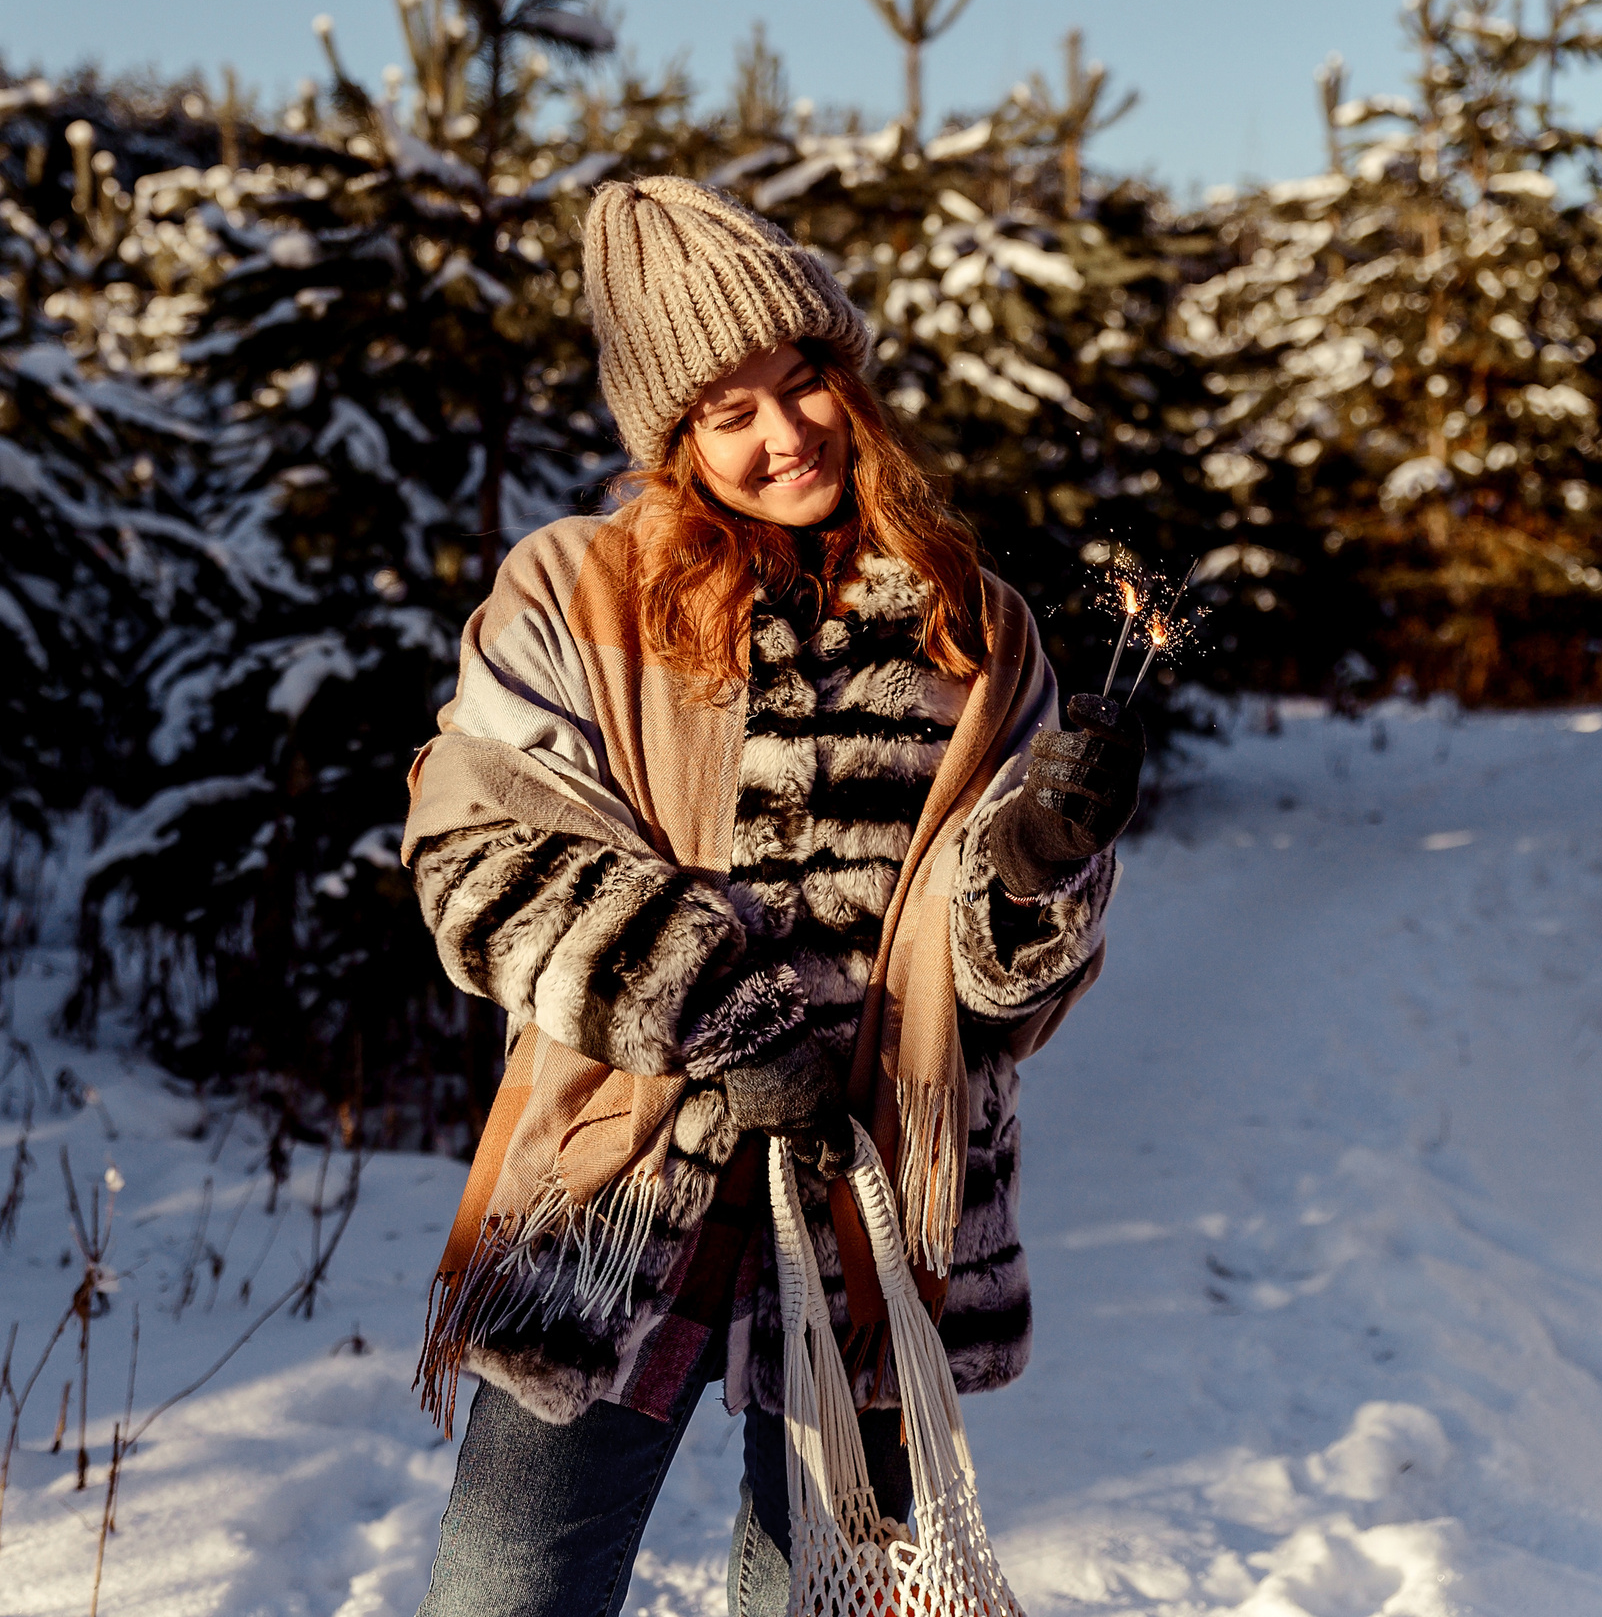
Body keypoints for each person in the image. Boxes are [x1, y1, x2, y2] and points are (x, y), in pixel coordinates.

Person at [402, 176, 1143, 1616]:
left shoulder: (975, 623)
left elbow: (1003, 997)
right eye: (728, 412)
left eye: (801, 384)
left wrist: (1043, 864)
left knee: (829, 1596)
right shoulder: (574, 592)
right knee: (508, 1593)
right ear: (673, 438)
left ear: (849, 380)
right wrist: (726, 1018)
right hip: (622, 1184)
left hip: (868, 1198)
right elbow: (479, 857)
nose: (783, 434)